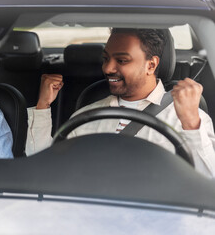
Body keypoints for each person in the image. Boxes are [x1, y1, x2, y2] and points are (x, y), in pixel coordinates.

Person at [26, 28, 215, 177]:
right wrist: (43, 106)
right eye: (106, 58)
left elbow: (208, 183)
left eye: (122, 60)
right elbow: (45, 168)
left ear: (151, 65)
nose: (107, 68)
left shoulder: (188, 120)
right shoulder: (85, 117)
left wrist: (190, 123)